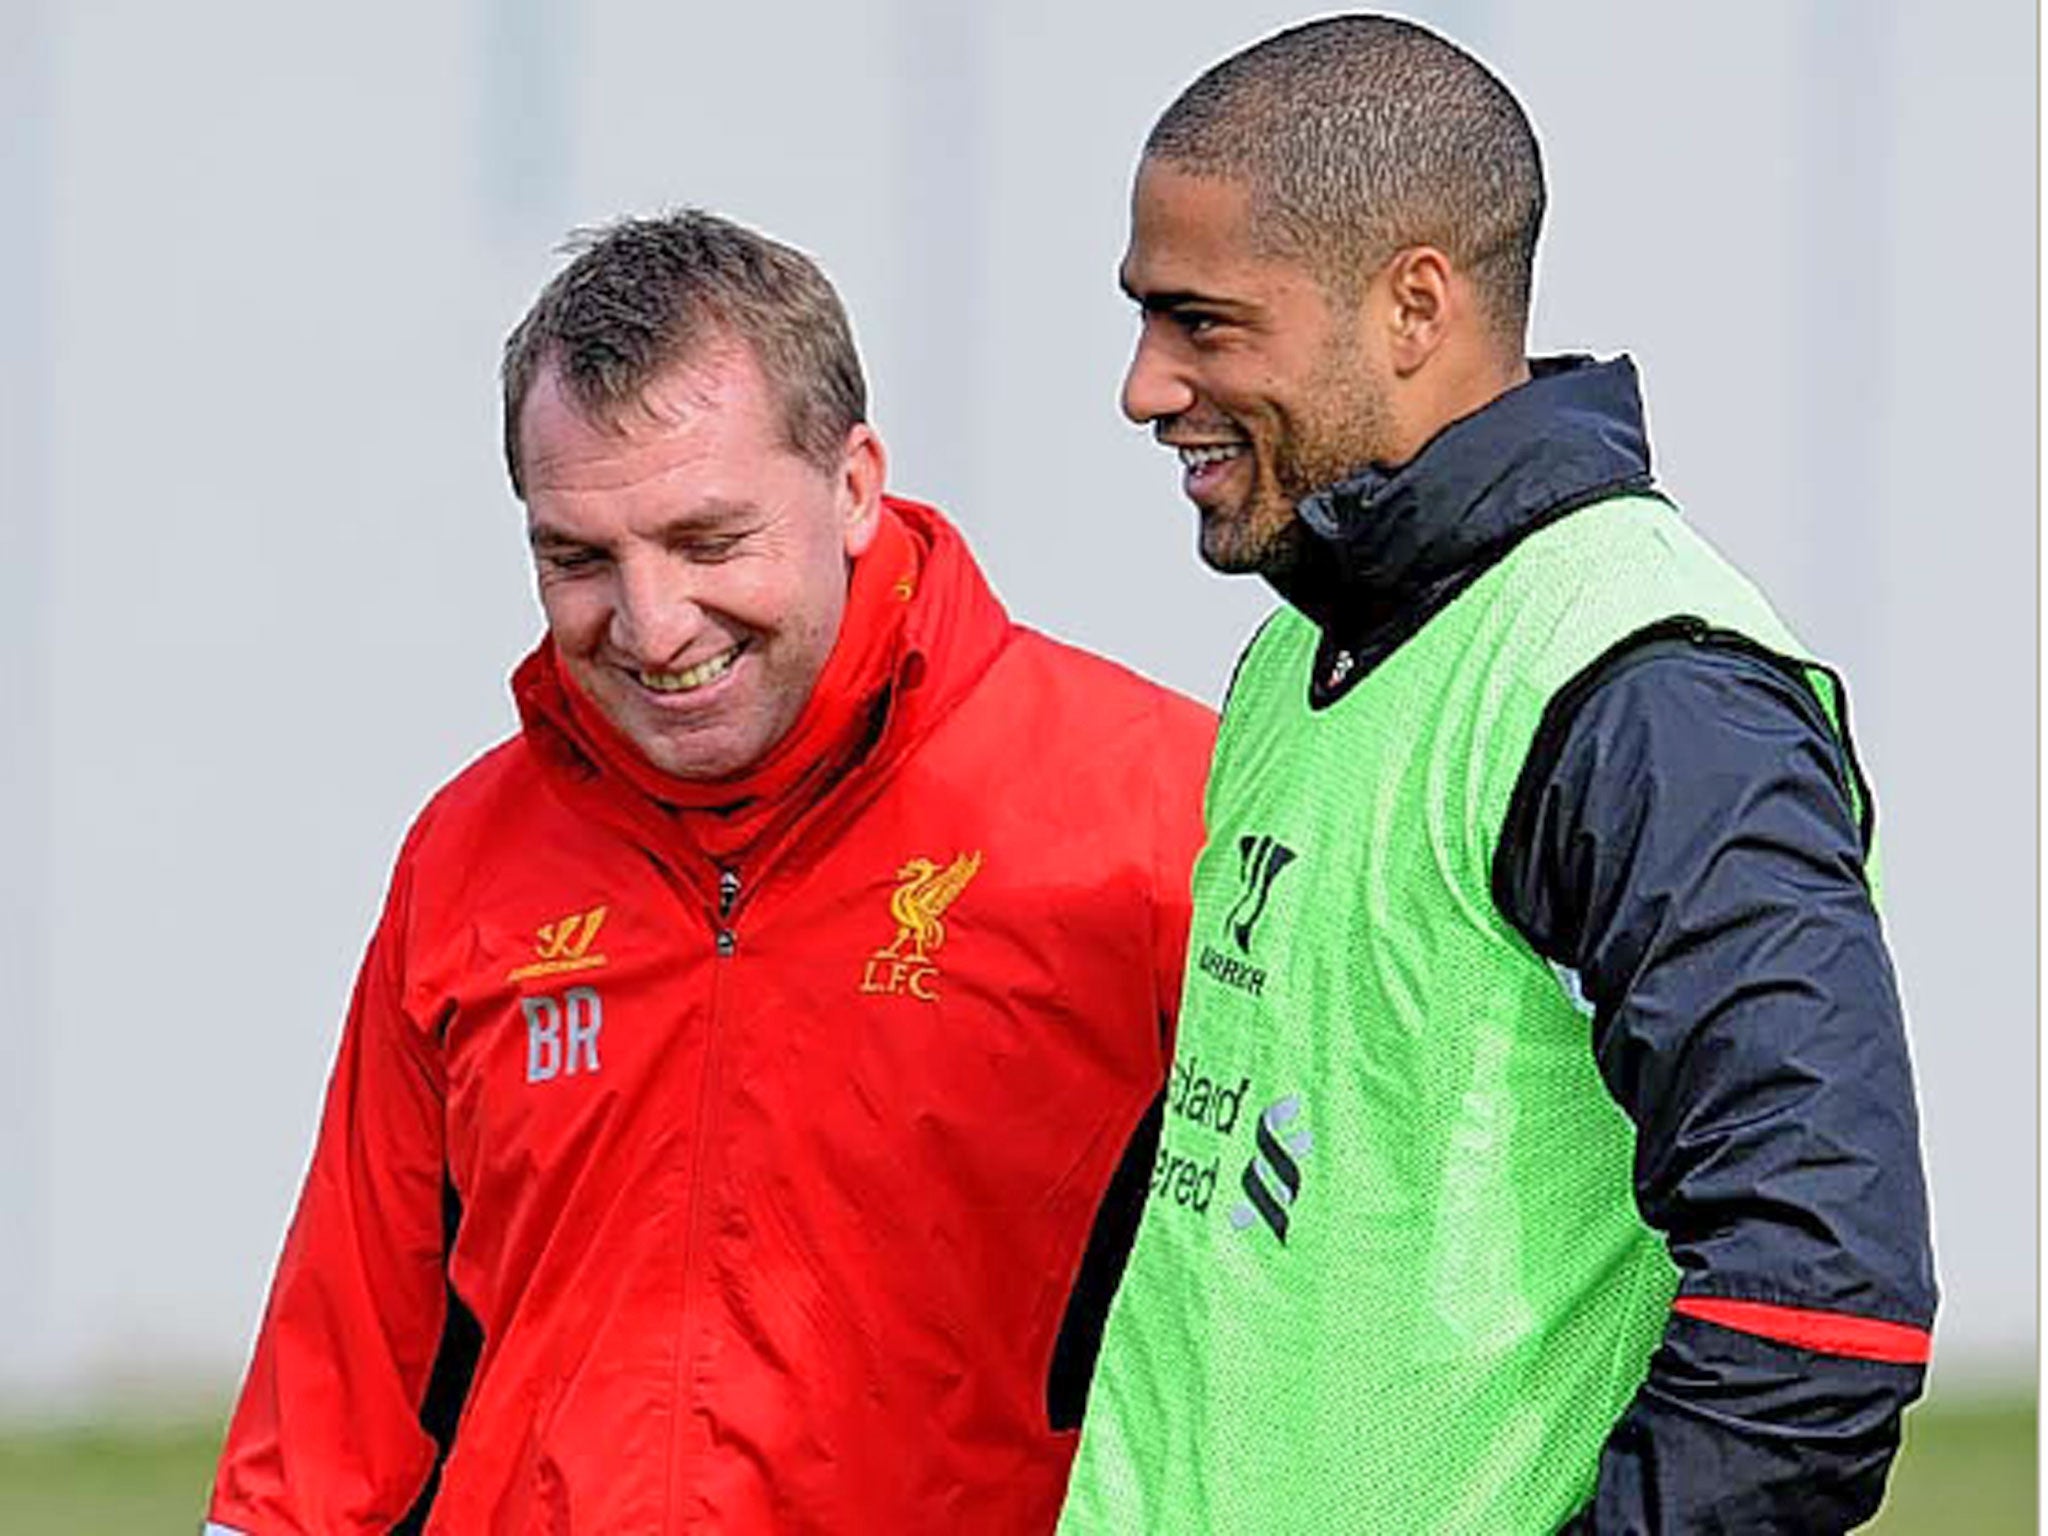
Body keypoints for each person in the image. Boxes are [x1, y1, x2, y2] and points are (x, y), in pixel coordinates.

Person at [205, 210, 1214, 1534]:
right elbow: (335, 1401)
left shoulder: (1157, 814)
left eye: (707, 541)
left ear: (854, 484)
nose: (652, 624)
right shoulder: (466, 856)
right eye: (578, 558)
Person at [1060, 16, 1936, 1534]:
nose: (1146, 387)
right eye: (1146, 320)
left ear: (1414, 305)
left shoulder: (1649, 693)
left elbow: (1823, 1314)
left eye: (1203, 323)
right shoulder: (1306, 649)